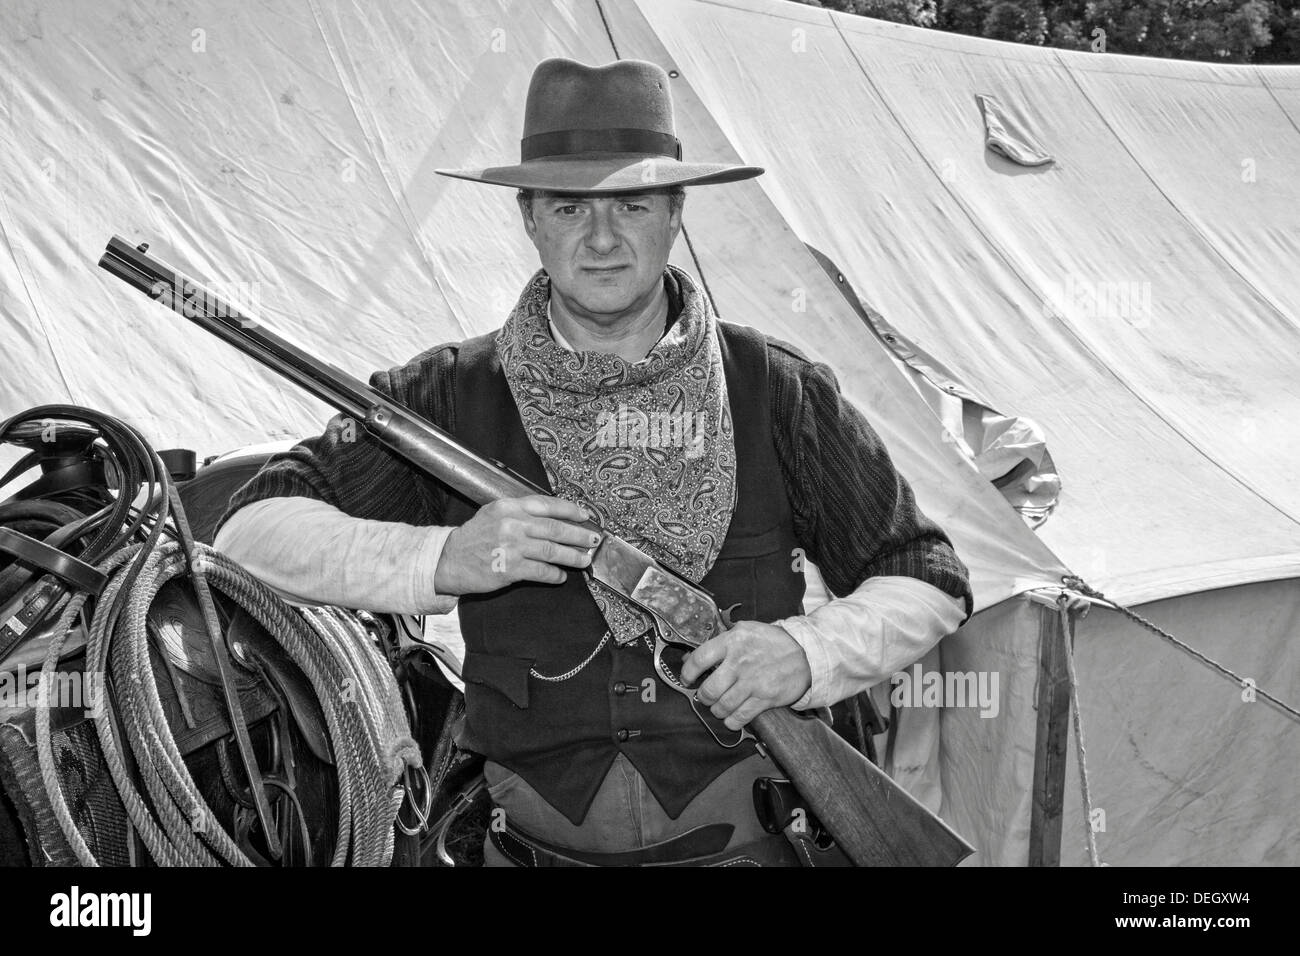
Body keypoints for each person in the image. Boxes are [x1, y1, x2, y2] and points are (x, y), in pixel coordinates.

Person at [214, 57, 972, 867]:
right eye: (570, 206)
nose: (602, 238)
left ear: (676, 212)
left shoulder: (774, 390)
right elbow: (251, 533)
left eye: (631, 204)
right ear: (529, 218)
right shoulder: (444, 397)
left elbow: (928, 575)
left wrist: (804, 653)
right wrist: (445, 556)